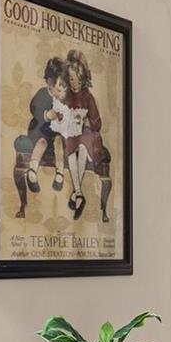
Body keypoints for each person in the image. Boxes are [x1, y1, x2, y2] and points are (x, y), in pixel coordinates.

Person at [12, 57, 69, 218]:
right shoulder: (43, 94)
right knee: (42, 143)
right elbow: (35, 108)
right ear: (50, 83)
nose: (62, 93)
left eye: (65, 89)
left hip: (55, 135)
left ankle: (59, 174)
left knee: (59, 143)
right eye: (60, 89)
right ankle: (32, 172)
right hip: (40, 130)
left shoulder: (63, 100)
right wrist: (46, 114)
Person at [63, 50, 109, 221]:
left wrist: (89, 122)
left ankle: (77, 194)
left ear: (82, 79)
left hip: (86, 134)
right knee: (71, 146)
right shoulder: (66, 96)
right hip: (71, 133)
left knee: (82, 148)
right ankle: (79, 193)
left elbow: (98, 122)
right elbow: (61, 114)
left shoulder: (88, 97)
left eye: (77, 79)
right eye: (71, 79)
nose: (74, 83)